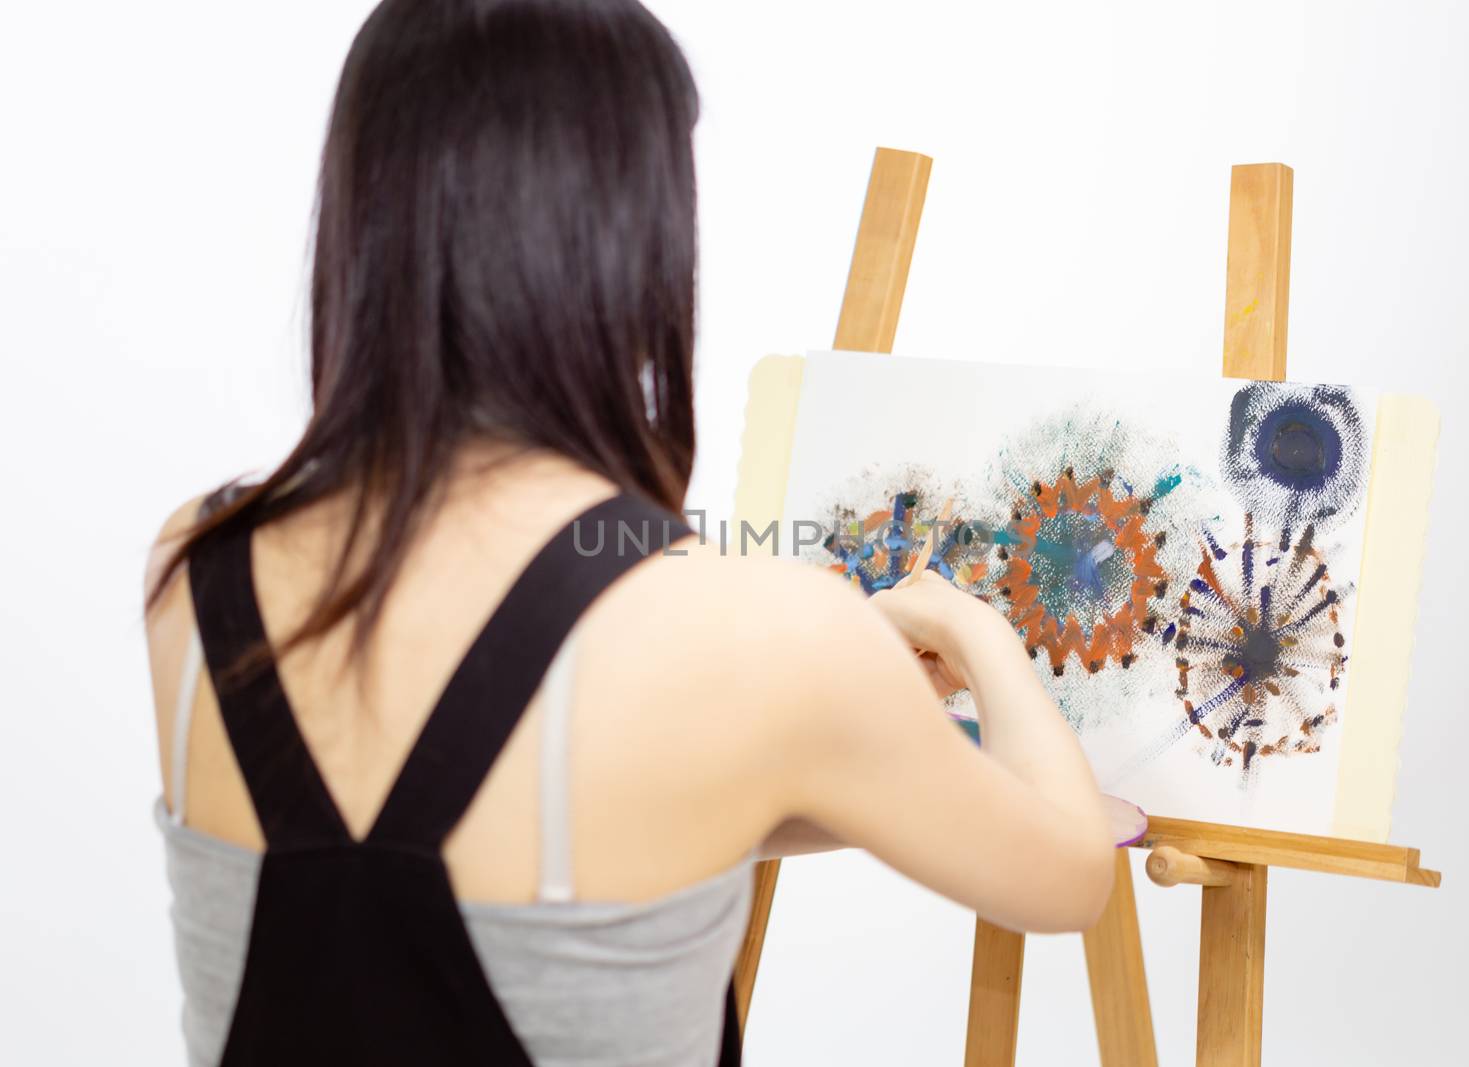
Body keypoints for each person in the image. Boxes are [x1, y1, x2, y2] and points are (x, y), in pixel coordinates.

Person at [141, 1, 1113, 1064]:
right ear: (628, 241)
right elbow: (1069, 874)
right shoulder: (754, 630)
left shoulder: (195, 566)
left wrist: (852, 740)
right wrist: (973, 630)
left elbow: (448, 866)